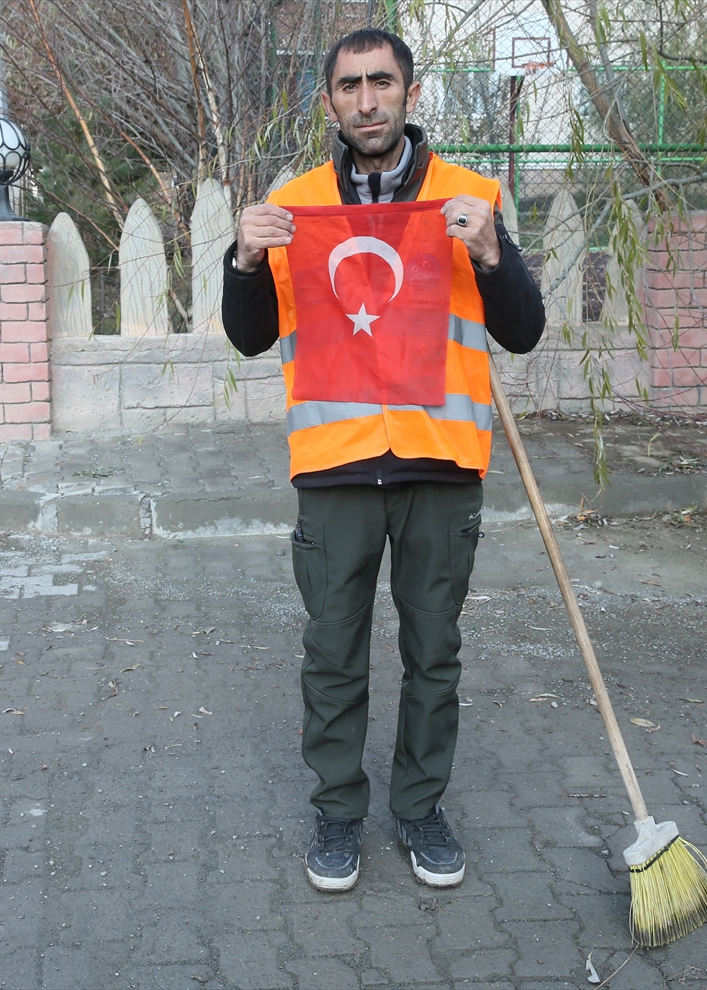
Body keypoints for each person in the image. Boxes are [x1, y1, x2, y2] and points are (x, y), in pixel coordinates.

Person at [222, 28, 545, 893]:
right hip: (335, 468)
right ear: (328, 101)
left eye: (383, 83)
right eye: (351, 86)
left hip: (441, 463)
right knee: (333, 651)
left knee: (434, 650)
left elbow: (523, 330)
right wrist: (245, 259)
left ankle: (419, 807)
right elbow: (249, 337)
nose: (368, 101)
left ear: (409, 91)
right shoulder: (292, 207)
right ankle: (336, 814)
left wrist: (492, 253)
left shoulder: (471, 198)